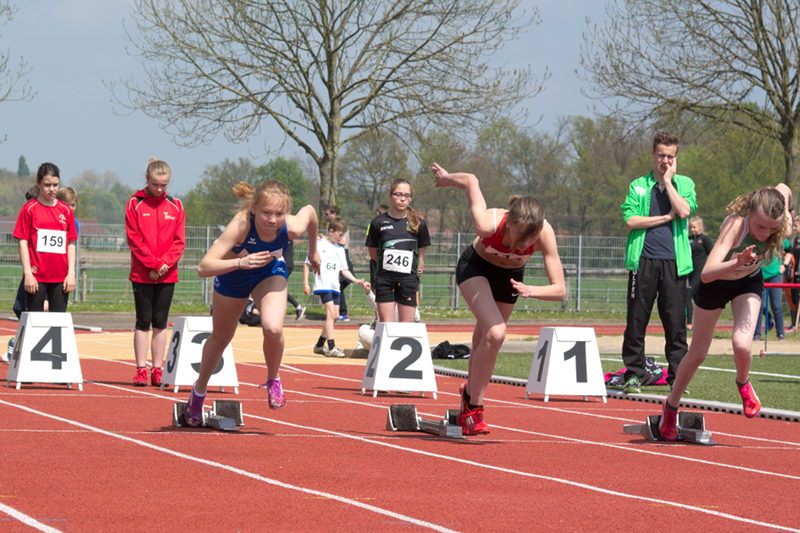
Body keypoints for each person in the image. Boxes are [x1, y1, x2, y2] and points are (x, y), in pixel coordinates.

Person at [432, 162, 566, 435]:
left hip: (510, 279)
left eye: (531, 240)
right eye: (520, 238)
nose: (525, 245)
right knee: (496, 332)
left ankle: (469, 396)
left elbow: (560, 290)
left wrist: (532, 290)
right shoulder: (489, 223)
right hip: (476, 268)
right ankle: (474, 407)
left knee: (485, 340)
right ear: (510, 223)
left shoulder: (544, 233)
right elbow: (471, 179)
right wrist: (447, 179)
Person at [659, 185, 792, 439]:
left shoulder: (780, 218)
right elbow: (707, 274)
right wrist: (737, 261)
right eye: (761, 227)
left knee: (742, 343)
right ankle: (671, 405)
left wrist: (785, 203)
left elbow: (784, 189)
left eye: (771, 229)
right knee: (698, 353)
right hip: (716, 283)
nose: (765, 235)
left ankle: (743, 382)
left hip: (747, 282)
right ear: (750, 213)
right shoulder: (736, 225)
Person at [183, 179, 319, 426]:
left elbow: (310, 211)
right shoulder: (241, 224)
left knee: (273, 327)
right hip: (231, 274)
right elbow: (203, 268)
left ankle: (274, 379)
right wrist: (239, 263)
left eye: (279, 214)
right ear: (254, 209)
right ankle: (199, 391)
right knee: (221, 337)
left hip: (267, 273)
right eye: (266, 213)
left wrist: (313, 251)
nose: (273, 220)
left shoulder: (291, 226)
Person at [620, 132, 696, 394]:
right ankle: (634, 374)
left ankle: (678, 376)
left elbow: (685, 211)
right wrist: (665, 217)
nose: (665, 160)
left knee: (675, 321)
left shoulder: (684, 184)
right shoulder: (638, 185)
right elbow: (630, 221)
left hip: (674, 263)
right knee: (636, 319)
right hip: (642, 261)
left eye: (670, 156)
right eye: (661, 155)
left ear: (676, 158)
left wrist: (668, 182)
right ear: (653, 155)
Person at [125, 159, 186, 387]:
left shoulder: (176, 205)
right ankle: (141, 369)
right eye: (155, 184)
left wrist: (165, 264)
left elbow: (179, 241)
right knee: (143, 321)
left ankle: (158, 368)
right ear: (147, 180)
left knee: (160, 322)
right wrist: (151, 264)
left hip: (167, 273)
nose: (159, 189)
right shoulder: (135, 203)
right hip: (142, 273)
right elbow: (134, 238)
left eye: (164, 185)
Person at [13, 162, 77, 313]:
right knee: (35, 322)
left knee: (57, 323)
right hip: (36, 277)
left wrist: (71, 273)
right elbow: (22, 242)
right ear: (38, 183)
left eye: (55, 185)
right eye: (47, 185)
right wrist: (28, 273)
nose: (52, 189)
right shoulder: (29, 210)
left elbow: (71, 243)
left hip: (61, 278)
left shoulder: (66, 210)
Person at [302, 216, 369, 357]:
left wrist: (356, 280)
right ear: (331, 231)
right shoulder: (318, 244)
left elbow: (344, 270)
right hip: (323, 284)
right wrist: (306, 283)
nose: (341, 237)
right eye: (339, 234)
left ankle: (320, 345)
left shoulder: (339, 249)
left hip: (334, 285)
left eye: (343, 235)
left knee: (336, 316)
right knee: (331, 313)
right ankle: (331, 346)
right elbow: (307, 263)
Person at [365, 179, 430, 323]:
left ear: (411, 198)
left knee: (406, 325)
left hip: (408, 279)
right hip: (385, 279)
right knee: (386, 324)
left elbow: (422, 248)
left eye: (407, 196)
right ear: (390, 196)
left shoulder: (419, 224)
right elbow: (373, 253)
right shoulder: (378, 223)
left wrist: (421, 262)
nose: (402, 199)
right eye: (398, 194)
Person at [753, 239, 789, 341]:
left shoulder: (780, 239)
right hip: (760, 273)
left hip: (775, 274)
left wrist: (784, 264)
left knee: (776, 305)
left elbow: (790, 249)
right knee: (759, 306)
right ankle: (756, 334)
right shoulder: (758, 237)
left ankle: (780, 334)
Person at [324, 205, 353, 321]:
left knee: (339, 284)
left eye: (327, 214)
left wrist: (326, 240)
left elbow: (342, 242)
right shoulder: (333, 226)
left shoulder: (340, 225)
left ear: (334, 214)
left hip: (342, 255)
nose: (326, 216)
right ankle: (338, 312)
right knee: (337, 285)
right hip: (336, 255)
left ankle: (342, 312)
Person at [686, 216, 713, 327]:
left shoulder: (705, 239)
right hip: (689, 272)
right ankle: (702, 323)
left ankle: (689, 323)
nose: (692, 230)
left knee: (687, 296)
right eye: (691, 227)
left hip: (700, 271)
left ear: (700, 227)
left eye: (694, 227)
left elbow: (712, 253)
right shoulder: (688, 239)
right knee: (697, 298)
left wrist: (708, 267)